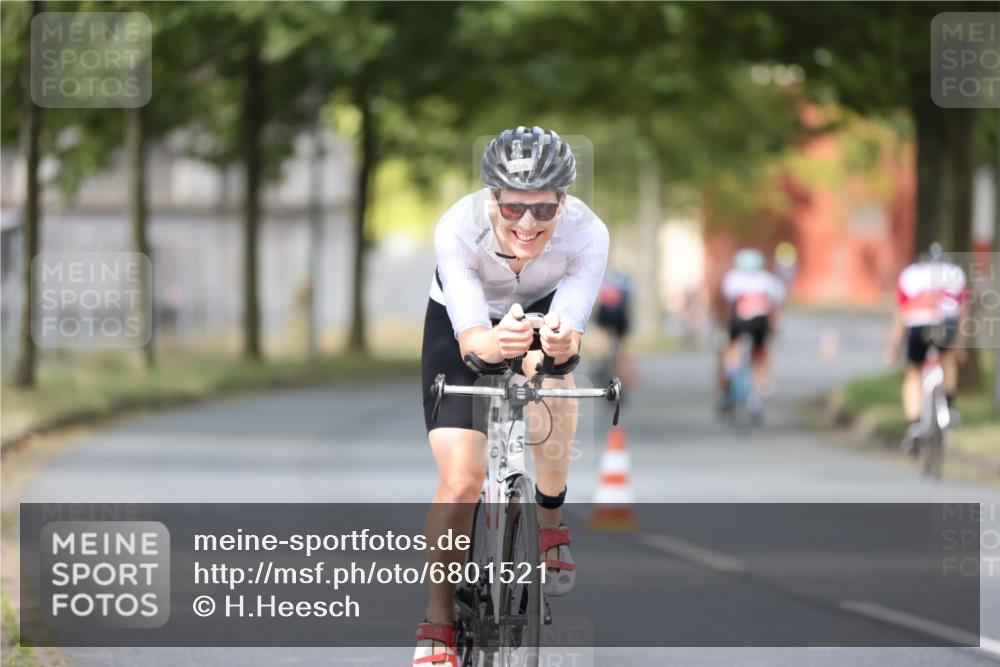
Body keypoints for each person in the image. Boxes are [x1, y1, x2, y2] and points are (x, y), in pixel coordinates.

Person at [415, 126, 609, 666]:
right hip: (465, 318)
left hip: (544, 306)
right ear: (491, 198)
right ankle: (438, 623)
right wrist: (491, 342)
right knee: (461, 479)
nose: (527, 224)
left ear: (563, 202)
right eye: (512, 208)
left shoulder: (589, 234)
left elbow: (567, 342)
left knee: (556, 382)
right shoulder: (457, 225)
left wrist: (559, 344)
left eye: (544, 211)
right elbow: (474, 341)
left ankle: (549, 520)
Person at [886, 243, 968, 448]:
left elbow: (901, 312)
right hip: (946, 324)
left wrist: (894, 345)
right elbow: (963, 312)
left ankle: (914, 423)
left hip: (918, 324)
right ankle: (947, 408)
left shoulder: (910, 274)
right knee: (947, 359)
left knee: (913, 372)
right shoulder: (955, 273)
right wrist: (960, 344)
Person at [717, 248, 786, 414]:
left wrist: (720, 324)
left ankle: (730, 371)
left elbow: (725, 303)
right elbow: (775, 305)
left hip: (738, 321)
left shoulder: (732, 278)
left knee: (731, 346)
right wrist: (776, 326)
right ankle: (763, 385)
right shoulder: (768, 280)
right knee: (761, 353)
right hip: (760, 322)